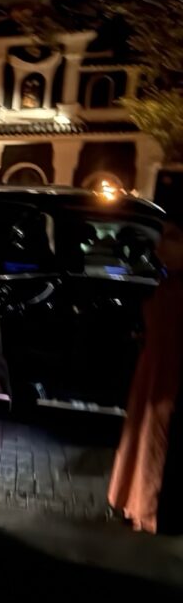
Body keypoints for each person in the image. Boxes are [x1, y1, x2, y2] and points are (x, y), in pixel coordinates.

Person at [107, 218, 183, 532]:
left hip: (169, 383)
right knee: (145, 436)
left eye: (174, 237)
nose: (160, 246)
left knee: (158, 443)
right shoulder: (171, 282)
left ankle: (150, 508)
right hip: (154, 376)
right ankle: (135, 501)